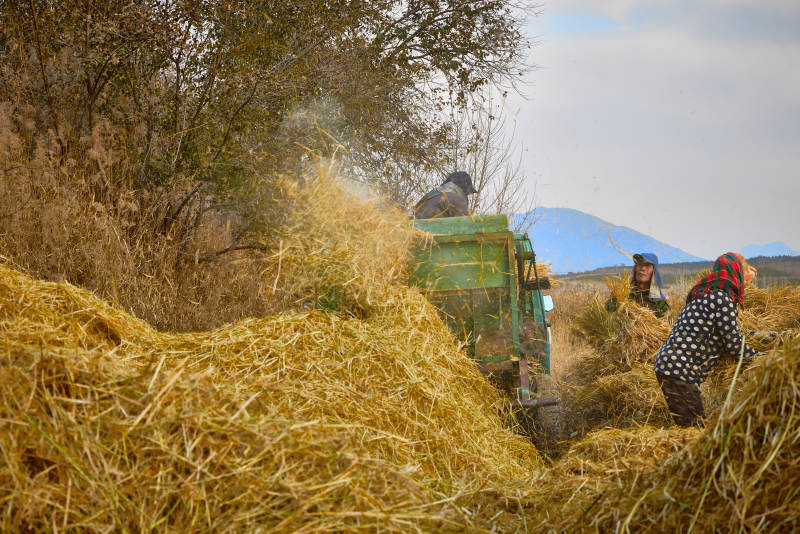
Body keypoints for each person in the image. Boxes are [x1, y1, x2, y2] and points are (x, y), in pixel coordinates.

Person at [653, 252, 761, 427]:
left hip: (670, 366)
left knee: (692, 427)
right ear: (735, 274)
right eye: (743, 274)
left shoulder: (706, 294)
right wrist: (762, 358)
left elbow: (732, 333)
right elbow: (734, 345)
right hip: (680, 370)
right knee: (694, 430)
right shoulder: (723, 299)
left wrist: (769, 337)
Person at [605, 253, 670, 317]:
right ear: (635, 268)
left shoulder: (660, 303)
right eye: (640, 264)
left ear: (654, 271)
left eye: (647, 265)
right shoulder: (622, 295)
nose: (643, 268)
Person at [414, 171, 478, 219]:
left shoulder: (431, 196)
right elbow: (466, 226)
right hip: (434, 235)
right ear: (465, 189)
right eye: (468, 193)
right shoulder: (456, 199)